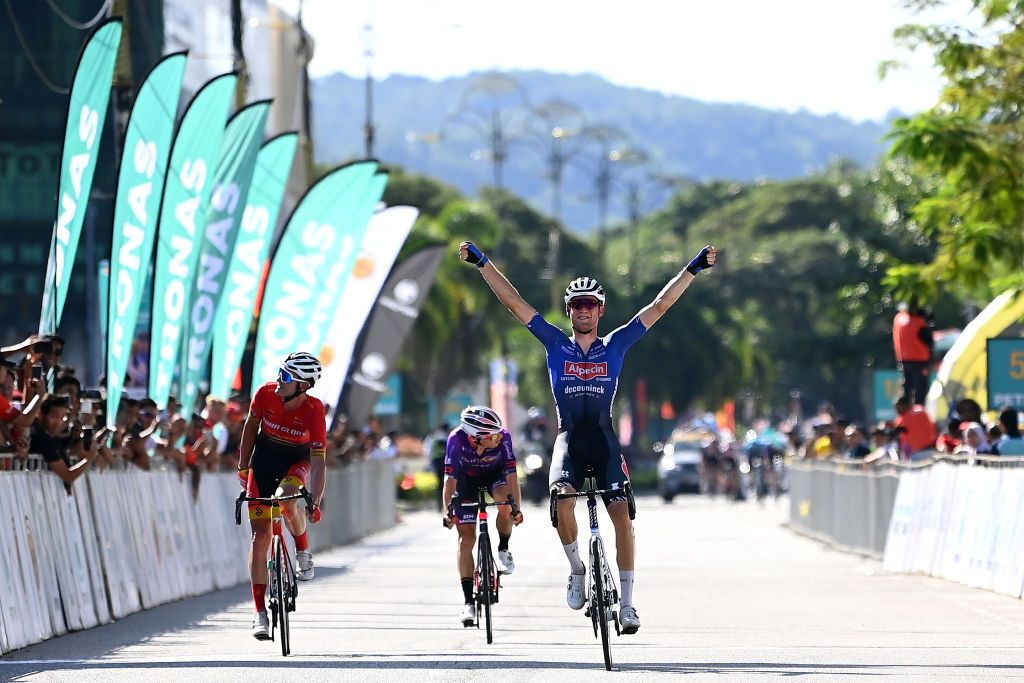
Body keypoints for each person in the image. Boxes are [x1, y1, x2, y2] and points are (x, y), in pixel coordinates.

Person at [459, 238, 717, 635]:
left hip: (603, 439)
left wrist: (693, 268)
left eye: (590, 304)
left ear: (600, 310)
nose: (583, 310)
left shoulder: (615, 344)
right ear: (569, 311)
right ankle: (578, 570)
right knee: (561, 500)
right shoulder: (554, 343)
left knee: (622, 519)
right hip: (568, 441)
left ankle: (628, 605)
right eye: (576, 304)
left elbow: (659, 307)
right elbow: (514, 302)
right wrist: (482, 263)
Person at [237, 351, 326, 641]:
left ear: (303, 385)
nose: (278, 379)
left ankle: (302, 550)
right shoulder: (265, 393)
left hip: (295, 462)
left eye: (285, 376)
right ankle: (260, 613)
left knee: (287, 501)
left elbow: (320, 460)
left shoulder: (314, 410)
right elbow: (251, 428)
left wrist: (316, 500)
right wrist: (242, 466)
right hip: (263, 460)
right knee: (259, 537)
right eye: (280, 371)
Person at [441, 406, 524, 627]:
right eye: (492, 435)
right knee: (466, 540)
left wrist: (517, 508)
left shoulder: (504, 438)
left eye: (498, 432)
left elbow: (512, 475)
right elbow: (449, 480)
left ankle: (503, 547)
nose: (498, 437)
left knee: (504, 505)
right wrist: (448, 512)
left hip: (494, 477)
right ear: (476, 439)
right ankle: (468, 602)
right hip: (465, 481)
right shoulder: (456, 440)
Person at [892, 299, 934, 406]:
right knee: (919, 391)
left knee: (907, 390)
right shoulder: (919, 322)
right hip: (920, 361)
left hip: (904, 360)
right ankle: (917, 412)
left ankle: (907, 411)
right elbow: (929, 341)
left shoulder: (898, 319)